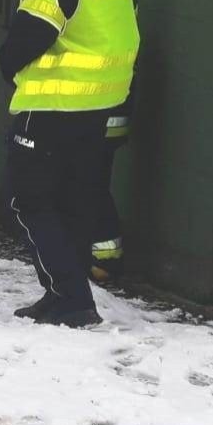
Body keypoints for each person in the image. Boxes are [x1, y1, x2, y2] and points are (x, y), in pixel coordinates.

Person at [0, 0, 139, 327]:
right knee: (74, 200)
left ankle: (70, 297)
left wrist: (6, 62)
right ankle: (67, 295)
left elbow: (32, 32)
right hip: (101, 106)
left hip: (53, 107)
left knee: (29, 201)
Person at [89, 92, 132, 283]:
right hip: (105, 117)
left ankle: (105, 262)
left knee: (91, 187)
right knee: (93, 186)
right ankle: (103, 260)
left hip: (95, 119)